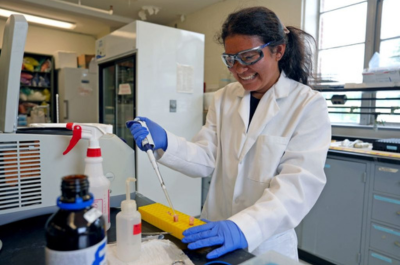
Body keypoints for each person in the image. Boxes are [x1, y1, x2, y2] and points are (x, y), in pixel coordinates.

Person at [126, 6, 331, 261]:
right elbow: (207, 157)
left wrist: (243, 227)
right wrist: (167, 142)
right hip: (213, 232)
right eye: (231, 59)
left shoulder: (307, 105)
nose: (239, 69)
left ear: (278, 50)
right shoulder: (225, 98)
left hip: (265, 242)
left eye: (249, 57)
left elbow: (297, 186)